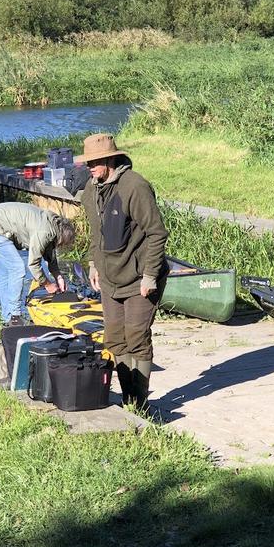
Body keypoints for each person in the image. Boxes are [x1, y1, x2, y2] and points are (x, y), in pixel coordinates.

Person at [78, 133, 168, 408]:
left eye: (94, 163)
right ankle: (128, 399)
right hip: (109, 278)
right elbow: (96, 234)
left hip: (140, 277)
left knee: (137, 337)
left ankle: (140, 403)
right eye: (88, 163)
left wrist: (151, 275)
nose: (90, 168)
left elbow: (157, 234)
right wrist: (94, 264)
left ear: (110, 159)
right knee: (115, 338)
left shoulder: (135, 186)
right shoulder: (92, 190)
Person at [0, 202, 76, 326]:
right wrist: (47, 284)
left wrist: (58, 276)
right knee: (17, 268)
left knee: (6, 272)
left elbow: (48, 253)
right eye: (62, 244)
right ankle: (15, 317)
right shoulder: (44, 232)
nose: (61, 247)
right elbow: (33, 264)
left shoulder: (53, 225)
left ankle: (7, 317)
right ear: (62, 238)